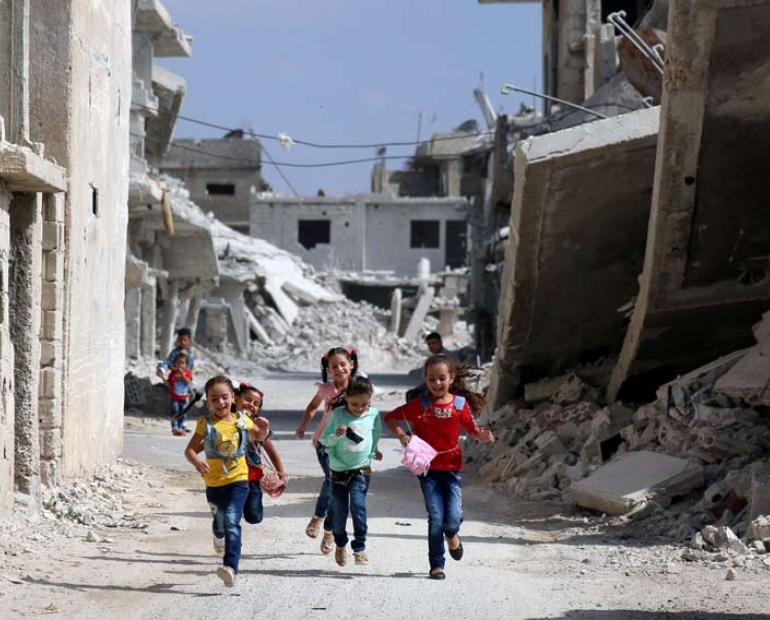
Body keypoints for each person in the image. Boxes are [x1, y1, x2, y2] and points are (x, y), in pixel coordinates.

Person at [384, 354, 494, 580]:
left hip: (452, 469)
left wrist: (482, 435)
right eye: (431, 379)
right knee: (435, 518)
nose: (437, 383)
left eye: (442, 378)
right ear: (425, 379)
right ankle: (437, 565)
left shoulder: (460, 405)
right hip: (427, 471)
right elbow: (391, 418)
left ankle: (452, 535)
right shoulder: (420, 405)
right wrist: (402, 435)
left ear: (451, 378)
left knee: (451, 519)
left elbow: (472, 430)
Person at [184, 375, 269, 587]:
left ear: (233, 397)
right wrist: (197, 463)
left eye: (224, 397)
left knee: (232, 521)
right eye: (214, 399)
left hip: (239, 480)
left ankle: (230, 567)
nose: (220, 403)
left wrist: (264, 428)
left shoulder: (242, 420)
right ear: (208, 401)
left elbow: (259, 436)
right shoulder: (206, 424)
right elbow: (190, 450)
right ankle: (218, 534)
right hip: (213, 483)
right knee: (220, 522)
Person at [295, 347, 359, 555]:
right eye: (334, 366)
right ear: (328, 369)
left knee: (338, 487)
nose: (339, 369)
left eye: (343, 364)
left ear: (351, 364)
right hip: (325, 442)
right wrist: (303, 426)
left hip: (347, 445)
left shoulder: (359, 390)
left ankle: (329, 529)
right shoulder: (326, 390)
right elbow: (311, 408)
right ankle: (320, 518)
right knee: (332, 480)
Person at [321, 376, 382, 567]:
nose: (359, 408)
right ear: (346, 397)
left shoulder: (373, 414)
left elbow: (376, 433)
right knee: (339, 512)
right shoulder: (338, 414)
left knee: (358, 506)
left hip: (361, 471)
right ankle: (340, 543)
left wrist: (374, 451)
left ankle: (359, 548)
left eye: (364, 404)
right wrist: (336, 435)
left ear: (370, 399)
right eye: (355, 404)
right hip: (339, 471)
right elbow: (325, 442)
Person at [235, 383, 286, 526]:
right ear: (235, 398)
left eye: (256, 403)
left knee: (254, 517)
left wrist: (281, 473)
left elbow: (271, 450)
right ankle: (230, 533)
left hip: (252, 478)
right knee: (232, 515)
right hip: (230, 478)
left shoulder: (257, 428)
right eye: (247, 399)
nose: (251, 404)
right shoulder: (224, 422)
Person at [166, 352, 192, 436]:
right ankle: (174, 427)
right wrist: (162, 377)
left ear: (186, 365)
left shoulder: (187, 373)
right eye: (178, 363)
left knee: (183, 413)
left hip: (184, 398)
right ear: (175, 364)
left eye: (182, 363)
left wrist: (182, 374)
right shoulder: (172, 374)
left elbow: (187, 381)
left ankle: (180, 427)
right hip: (174, 397)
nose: (180, 365)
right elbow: (169, 384)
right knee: (175, 411)